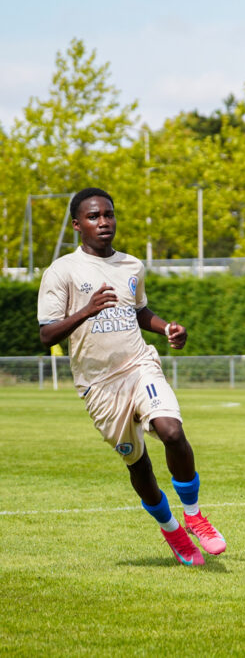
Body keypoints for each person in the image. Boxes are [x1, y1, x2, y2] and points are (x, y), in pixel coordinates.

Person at [36, 188, 225, 566]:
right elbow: (47, 334)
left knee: (172, 430)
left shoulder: (132, 266)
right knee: (138, 465)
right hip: (98, 386)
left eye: (109, 214)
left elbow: (138, 311)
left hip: (139, 365)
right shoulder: (62, 271)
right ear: (77, 225)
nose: (104, 222)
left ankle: (193, 515)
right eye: (93, 217)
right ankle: (172, 531)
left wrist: (166, 327)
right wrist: (86, 311)